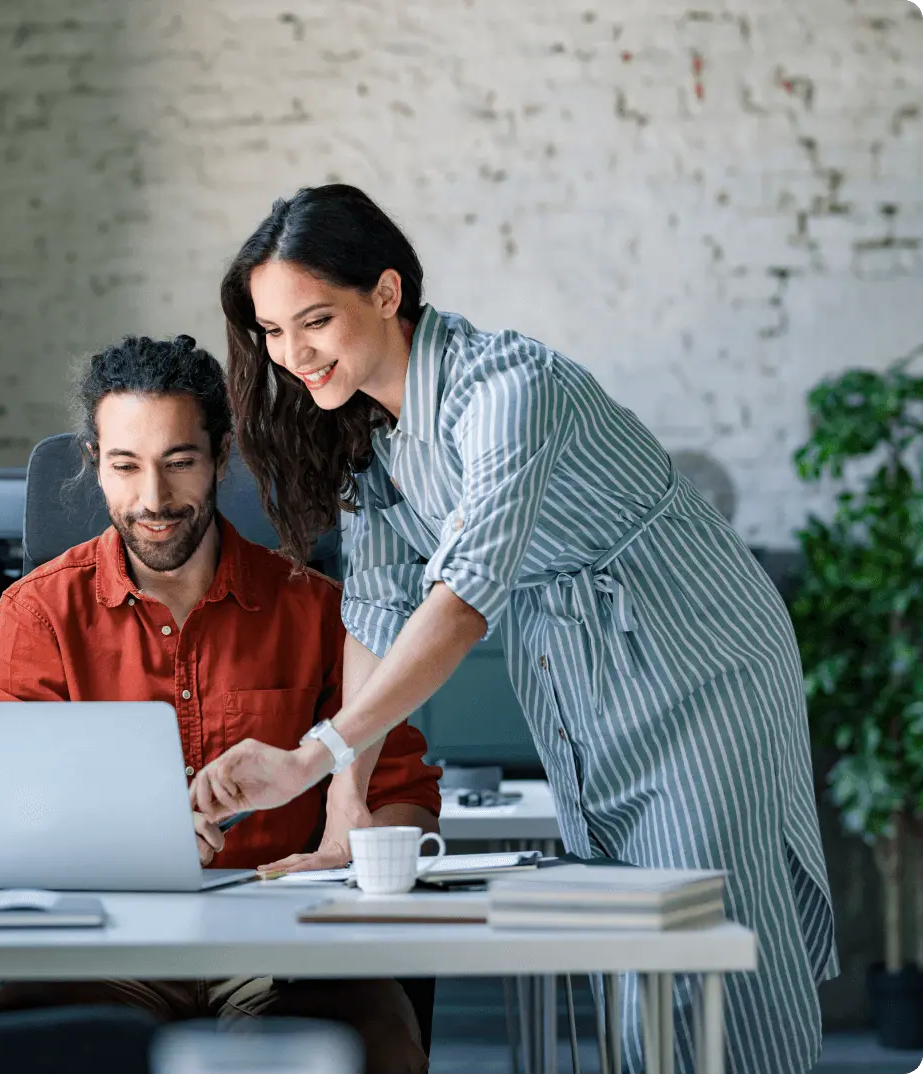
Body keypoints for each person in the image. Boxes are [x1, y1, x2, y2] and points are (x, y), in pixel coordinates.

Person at [191, 184, 838, 1075]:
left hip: (697, 666)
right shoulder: (370, 431)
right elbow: (379, 607)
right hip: (581, 684)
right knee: (629, 968)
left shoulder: (507, 389)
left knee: (703, 957)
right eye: (271, 331)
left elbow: (457, 605)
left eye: (315, 320)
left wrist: (309, 755)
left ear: (386, 292)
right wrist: (344, 807)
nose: (293, 353)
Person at [0, 333, 438, 1075]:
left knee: (375, 1043)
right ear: (96, 464)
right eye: (126, 466)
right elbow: (9, 818)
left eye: (179, 462)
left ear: (222, 458)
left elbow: (405, 796)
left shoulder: (317, 611)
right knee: (25, 1049)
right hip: (103, 950)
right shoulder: (38, 617)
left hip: (282, 950)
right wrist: (138, 842)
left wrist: (366, 843)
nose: (153, 499)